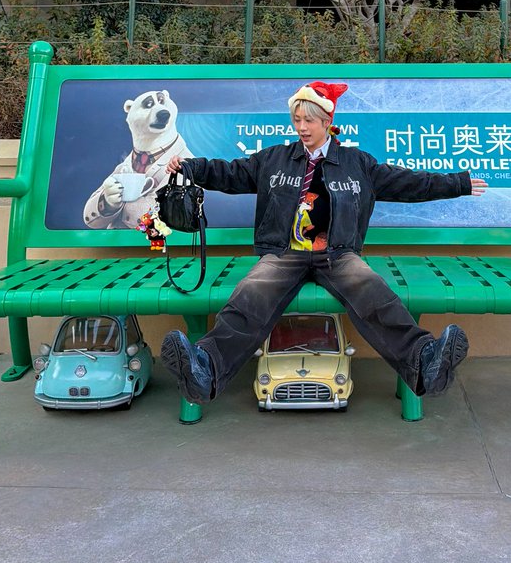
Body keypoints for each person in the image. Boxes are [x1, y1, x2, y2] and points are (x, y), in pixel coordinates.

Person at [160, 80, 488, 406]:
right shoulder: (274, 159)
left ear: (327, 122)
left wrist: (457, 183)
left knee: (374, 294)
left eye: (309, 121)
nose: (301, 127)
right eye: (297, 120)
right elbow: (230, 172)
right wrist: (192, 167)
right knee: (250, 297)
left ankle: (427, 360)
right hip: (285, 252)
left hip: (337, 254)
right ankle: (204, 368)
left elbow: (410, 182)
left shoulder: (357, 164)